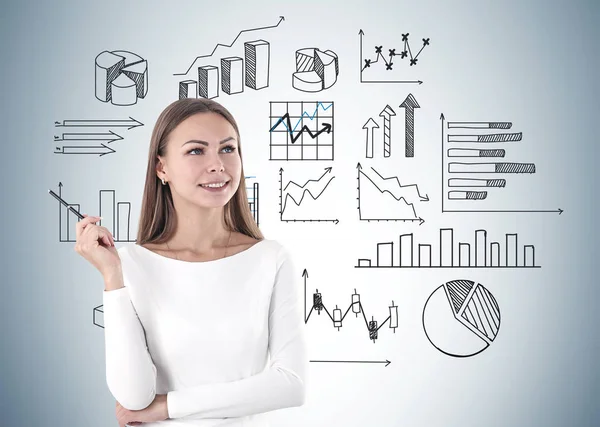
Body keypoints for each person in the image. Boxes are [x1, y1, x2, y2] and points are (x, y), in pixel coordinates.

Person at [74, 98, 308, 427]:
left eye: (228, 149)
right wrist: (112, 277)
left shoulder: (270, 259)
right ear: (161, 168)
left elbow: (291, 385)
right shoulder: (130, 264)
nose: (218, 165)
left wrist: (168, 406)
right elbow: (133, 398)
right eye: (196, 151)